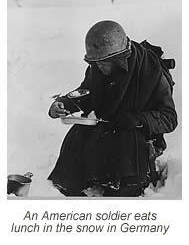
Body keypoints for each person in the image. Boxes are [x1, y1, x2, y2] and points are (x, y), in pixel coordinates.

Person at [48, 20, 177, 197]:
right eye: (95, 62)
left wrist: (138, 120)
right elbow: (86, 92)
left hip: (137, 135)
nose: (98, 66)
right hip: (108, 127)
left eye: (104, 62)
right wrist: (63, 103)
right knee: (77, 135)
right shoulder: (98, 67)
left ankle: (122, 188)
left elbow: (169, 118)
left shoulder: (151, 71)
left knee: (126, 143)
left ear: (120, 59)